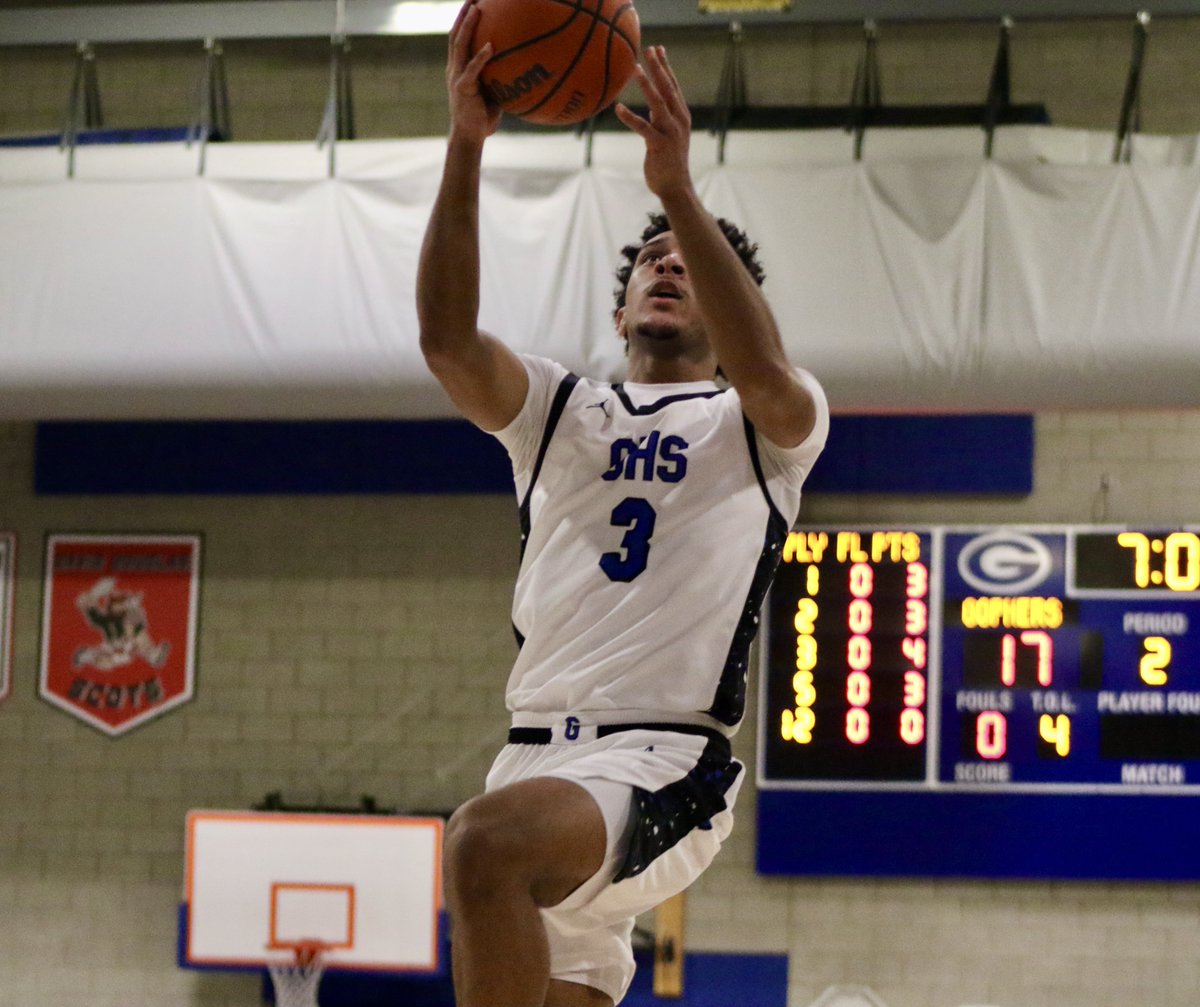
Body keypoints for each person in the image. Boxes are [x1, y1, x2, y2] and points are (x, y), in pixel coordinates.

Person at [416, 4, 829, 1005]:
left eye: (687, 266)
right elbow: (446, 340)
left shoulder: (768, 419)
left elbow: (766, 361)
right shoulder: (560, 410)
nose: (666, 264)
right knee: (497, 856)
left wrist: (678, 194)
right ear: (620, 303)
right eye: (651, 257)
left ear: (729, 319)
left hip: (660, 760)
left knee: (480, 847)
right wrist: (466, 143)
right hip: (534, 753)